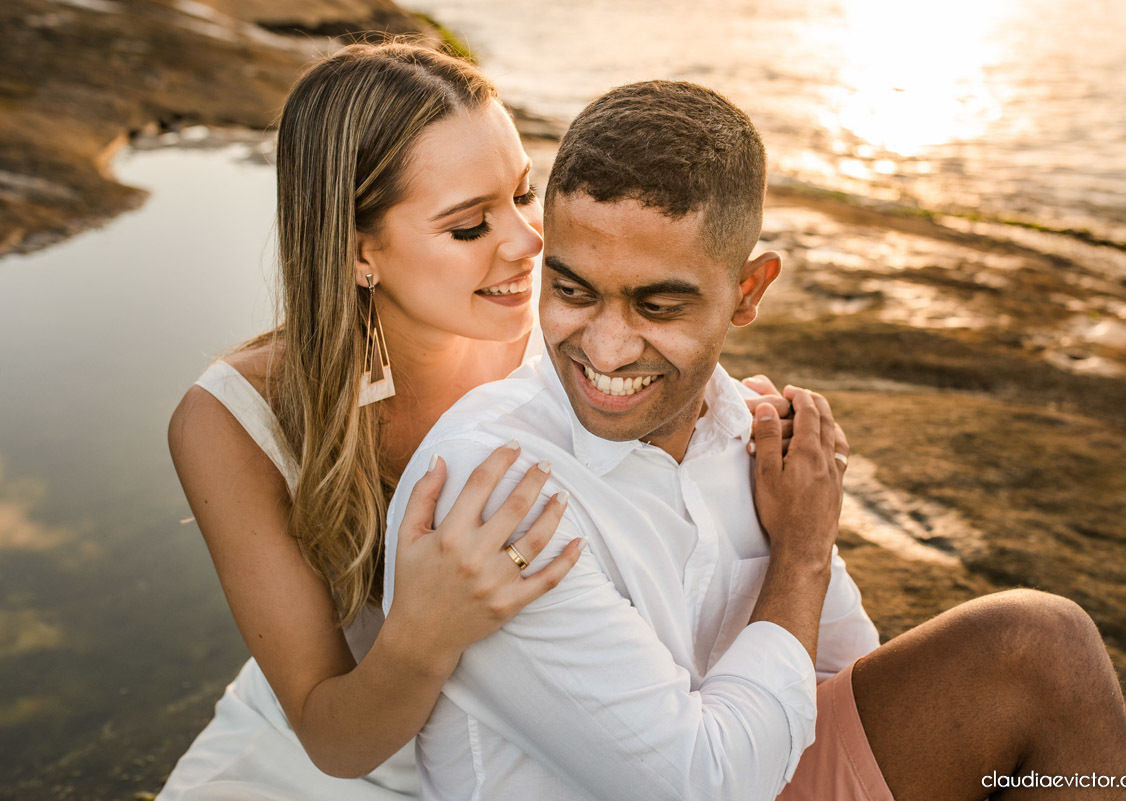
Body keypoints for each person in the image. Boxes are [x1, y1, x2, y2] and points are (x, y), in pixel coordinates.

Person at [383, 80, 1126, 801]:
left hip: (765, 773)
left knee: (1040, 651)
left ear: (748, 292)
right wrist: (802, 550)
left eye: (657, 306)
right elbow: (699, 782)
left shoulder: (748, 432)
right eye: (571, 290)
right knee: (1040, 646)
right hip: (709, 784)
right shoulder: (496, 489)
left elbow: (843, 670)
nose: (606, 347)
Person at [159, 41, 798, 799]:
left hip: (533, 748)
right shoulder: (232, 420)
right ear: (360, 250)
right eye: (469, 226)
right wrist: (420, 637)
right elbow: (331, 737)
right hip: (325, 761)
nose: (530, 245)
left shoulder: (569, 329)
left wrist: (722, 427)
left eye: (523, 195)